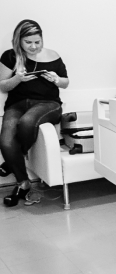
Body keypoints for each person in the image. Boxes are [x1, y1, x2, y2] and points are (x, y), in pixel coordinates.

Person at [0, 20, 69, 207]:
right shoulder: (10, 56)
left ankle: (12, 159)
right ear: (19, 41)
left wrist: (56, 79)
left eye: (37, 42)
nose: (33, 46)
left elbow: (66, 82)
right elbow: (2, 85)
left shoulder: (53, 55)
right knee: (6, 142)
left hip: (48, 104)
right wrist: (17, 78)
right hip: (17, 104)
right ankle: (23, 184)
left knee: (27, 122)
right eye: (28, 42)